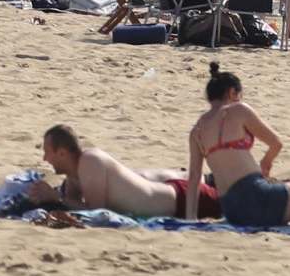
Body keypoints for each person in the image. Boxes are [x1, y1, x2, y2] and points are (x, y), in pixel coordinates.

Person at [30, 124, 219, 220]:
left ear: (62, 153)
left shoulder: (90, 161)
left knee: (239, 201)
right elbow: (72, 205)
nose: (45, 159)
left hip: (182, 200)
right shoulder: (73, 176)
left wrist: (56, 198)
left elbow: (97, 212)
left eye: (47, 152)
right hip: (172, 194)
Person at [185, 64, 286, 227]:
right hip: (259, 195)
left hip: (232, 210)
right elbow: (276, 143)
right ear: (232, 92)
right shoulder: (238, 110)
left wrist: (190, 219)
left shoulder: (196, 131)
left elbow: (194, 177)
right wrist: (266, 162)